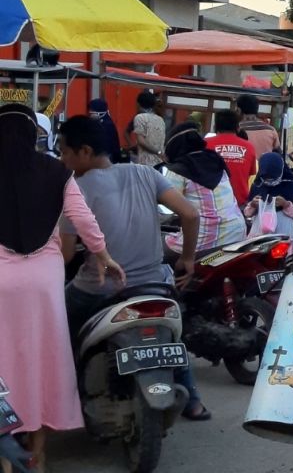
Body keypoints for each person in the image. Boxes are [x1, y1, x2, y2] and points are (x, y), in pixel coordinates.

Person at [55, 116, 212, 421]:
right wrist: (188, 259)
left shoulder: (75, 190)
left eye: (64, 152)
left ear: (84, 151)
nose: (62, 160)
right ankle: (193, 400)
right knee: (170, 336)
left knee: (60, 325)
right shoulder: (145, 173)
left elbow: (63, 255)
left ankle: (66, 400)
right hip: (154, 287)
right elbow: (190, 215)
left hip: (100, 290)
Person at [0, 104, 125, 471]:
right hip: (44, 282)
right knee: (44, 360)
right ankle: (39, 454)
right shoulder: (57, 171)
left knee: (4, 363)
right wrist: (104, 257)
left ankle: (5, 458)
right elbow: (82, 219)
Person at [161, 122, 248, 253]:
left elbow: (167, 206)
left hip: (204, 241)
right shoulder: (216, 160)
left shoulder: (178, 170)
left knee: (157, 252)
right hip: (236, 234)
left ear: (173, 148)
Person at [245, 152, 293, 246]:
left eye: (273, 178)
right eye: (266, 178)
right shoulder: (258, 184)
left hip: (283, 230)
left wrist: (286, 205)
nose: (269, 181)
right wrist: (253, 204)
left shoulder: (290, 184)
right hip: (259, 231)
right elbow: (247, 213)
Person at [205, 109, 258, 206]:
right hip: (239, 203)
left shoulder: (205, 144)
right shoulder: (249, 147)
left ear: (215, 126)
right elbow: (250, 174)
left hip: (211, 203)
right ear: (238, 127)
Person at [128, 89, 165, 166]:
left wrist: (157, 152)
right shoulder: (160, 119)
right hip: (159, 163)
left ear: (138, 104)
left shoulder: (139, 118)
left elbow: (141, 141)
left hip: (146, 163)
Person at [236, 94, 279, 158]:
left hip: (245, 167)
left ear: (239, 110)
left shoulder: (236, 130)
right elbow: (277, 152)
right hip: (264, 167)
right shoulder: (271, 130)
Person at [87, 98, 123, 164]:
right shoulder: (102, 123)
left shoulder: (106, 126)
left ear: (99, 113)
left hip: (107, 160)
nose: (90, 114)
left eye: (91, 112)